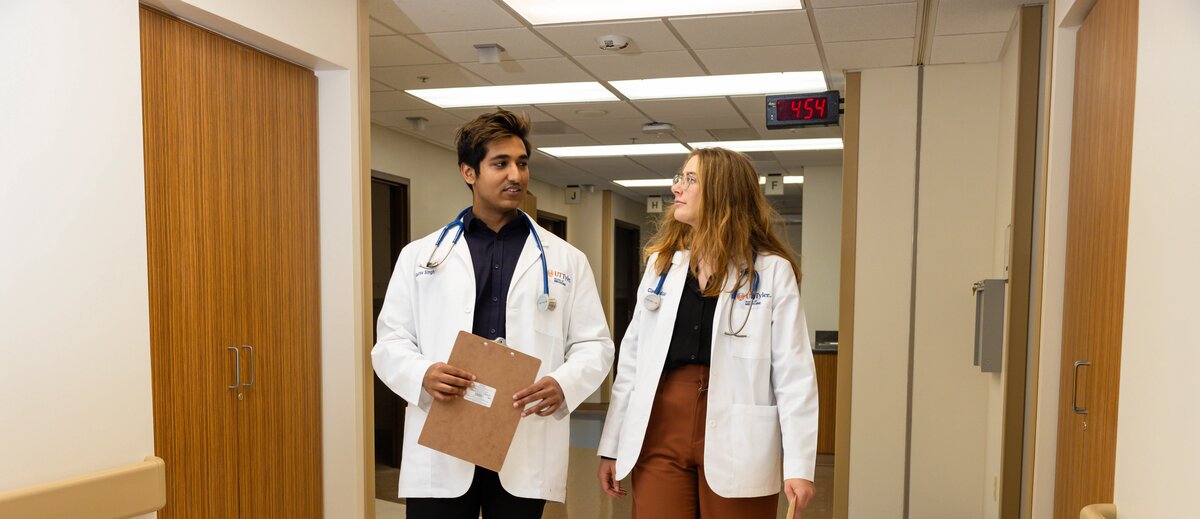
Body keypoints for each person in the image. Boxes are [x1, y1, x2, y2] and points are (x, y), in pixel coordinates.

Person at [372, 109, 614, 519]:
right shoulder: (420, 256)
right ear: (469, 172)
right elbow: (390, 342)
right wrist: (422, 374)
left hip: (523, 430)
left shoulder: (565, 260)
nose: (515, 175)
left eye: (522, 164)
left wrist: (563, 383)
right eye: (500, 164)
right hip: (445, 431)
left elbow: (595, 344)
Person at [596, 147, 819, 518]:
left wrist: (799, 464)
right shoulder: (661, 267)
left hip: (738, 428)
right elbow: (633, 363)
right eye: (679, 178)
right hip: (661, 423)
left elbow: (794, 375)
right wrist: (612, 444)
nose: (676, 188)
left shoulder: (771, 272)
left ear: (722, 192)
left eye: (690, 179)